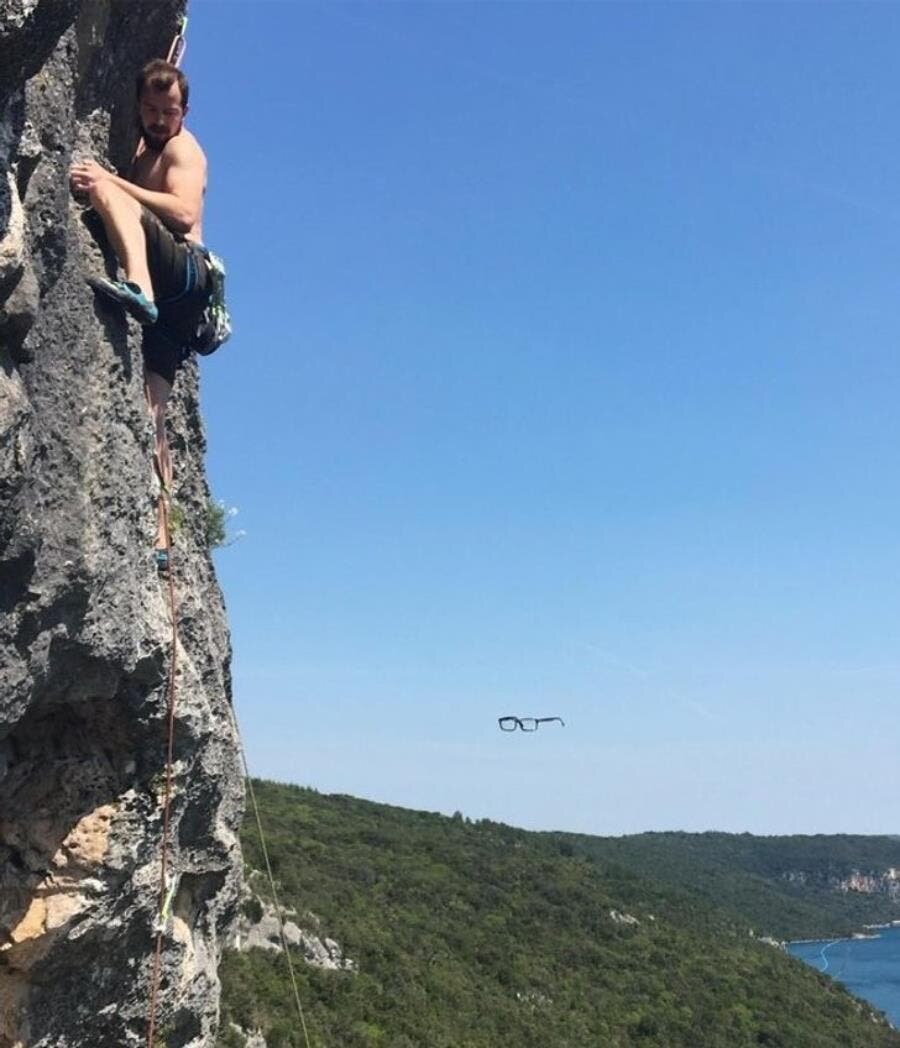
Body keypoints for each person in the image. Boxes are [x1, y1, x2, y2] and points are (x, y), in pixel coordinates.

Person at [70, 59, 209, 572]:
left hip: (184, 275)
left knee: (105, 190)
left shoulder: (182, 149)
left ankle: (137, 285)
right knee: (155, 410)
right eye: (150, 109)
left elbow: (183, 214)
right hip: (178, 313)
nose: (157, 119)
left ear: (184, 112)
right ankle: (161, 538)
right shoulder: (143, 149)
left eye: (167, 111)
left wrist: (112, 180)